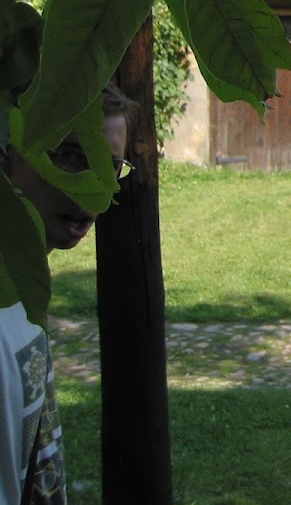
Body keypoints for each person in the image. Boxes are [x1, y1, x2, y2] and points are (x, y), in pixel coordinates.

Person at [1, 84, 135, 504]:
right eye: (73, 157)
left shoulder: (26, 296)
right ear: (8, 153)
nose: (94, 189)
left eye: (109, 169)